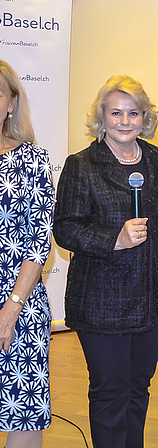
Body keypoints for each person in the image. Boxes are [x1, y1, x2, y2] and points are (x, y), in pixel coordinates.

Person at [53, 76, 158, 448]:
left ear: (145, 118)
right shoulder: (82, 165)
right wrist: (114, 239)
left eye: (133, 113)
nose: (125, 121)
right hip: (102, 304)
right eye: (116, 113)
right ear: (102, 117)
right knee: (110, 394)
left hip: (152, 301)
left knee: (138, 390)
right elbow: (66, 229)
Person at [0, 60, 55, 448]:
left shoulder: (32, 159)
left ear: (10, 102)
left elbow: (39, 243)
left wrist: (11, 307)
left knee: (23, 412)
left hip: (18, 303)